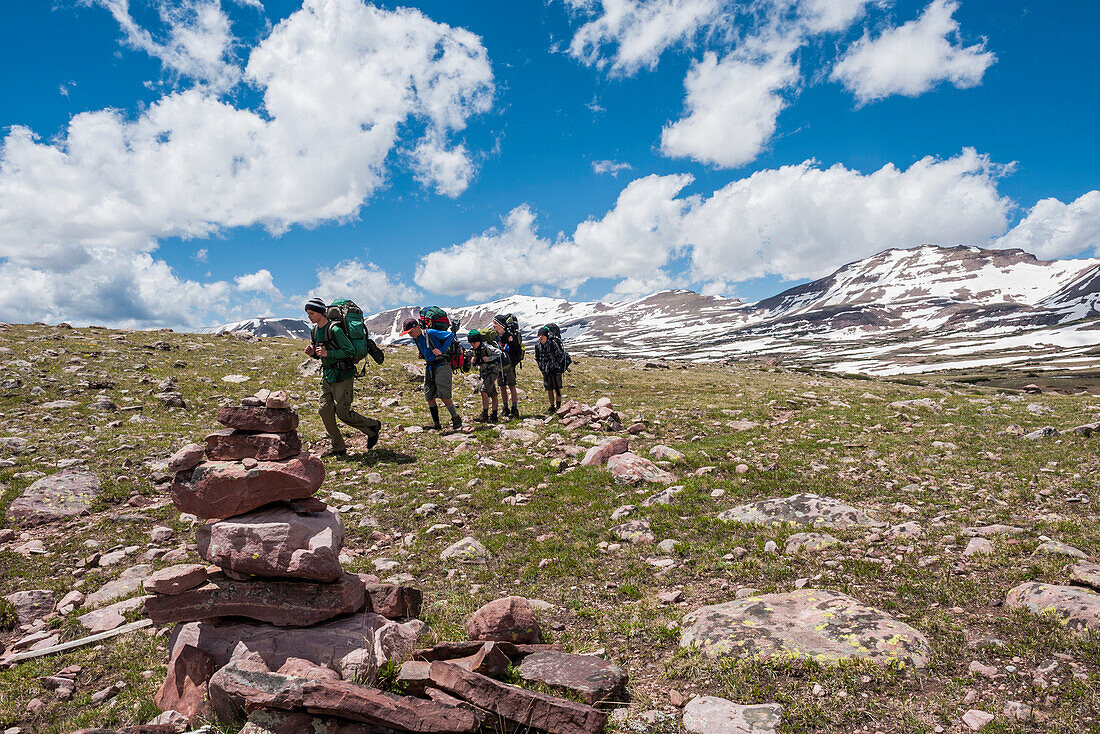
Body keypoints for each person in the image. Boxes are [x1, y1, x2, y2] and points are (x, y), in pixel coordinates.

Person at [303, 297, 381, 457]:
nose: (308, 317)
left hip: (343, 375)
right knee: (324, 411)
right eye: (307, 313)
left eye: (311, 313)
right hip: (328, 375)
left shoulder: (335, 330)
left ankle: (372, 426)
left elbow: (350, 351)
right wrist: (314, 355)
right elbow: (321, 353)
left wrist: (328, 353)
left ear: (320, 312)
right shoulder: (315, 331)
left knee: (343, 413)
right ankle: (338, 447)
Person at [401, 318, 462, 431]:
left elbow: (449, 336)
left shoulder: (430, 333)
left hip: (442, 365)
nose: (409, 335)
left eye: (410, 332)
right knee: (429, 396)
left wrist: (442, 350)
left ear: (417, 327)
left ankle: (456, 418)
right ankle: (436, 424)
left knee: (444, 395)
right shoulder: (417, 338)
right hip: (430, 367)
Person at [467, 329, 502, 423]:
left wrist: (489, 358)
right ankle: (494, 415)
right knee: (493, 394)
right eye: (471, 343)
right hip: (484, 373)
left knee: (483, 391)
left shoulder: (486, 347)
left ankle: (485, 414)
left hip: (492, 371)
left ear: (479, 340)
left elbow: (499, 353)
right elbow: (476, 366)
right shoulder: (475, 350)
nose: (472, 345)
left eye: (474, 342)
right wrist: (473, 362)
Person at [490, 314, 521, 419]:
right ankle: (505, 408)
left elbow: (516, 351)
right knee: (502, 387)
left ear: (501, 324)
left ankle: (514, 409)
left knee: (512, 386)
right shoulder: (494, 337)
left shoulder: (509, 336)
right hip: (500, 366)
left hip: (509, 366)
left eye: (495, 323)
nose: (493, 325)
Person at [534, 326, 567, 414]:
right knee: (549, 389)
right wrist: (541, 367)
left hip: (555, 371)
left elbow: (560, 356)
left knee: (557, 388)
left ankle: (559, 407)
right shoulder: (537, 346)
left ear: (546, 336)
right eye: (539, 335)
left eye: (542, 335)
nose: (540, 337)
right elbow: (537, 358)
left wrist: (555, 365)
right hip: (545, 371)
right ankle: (552, 406)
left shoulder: (552, 344)